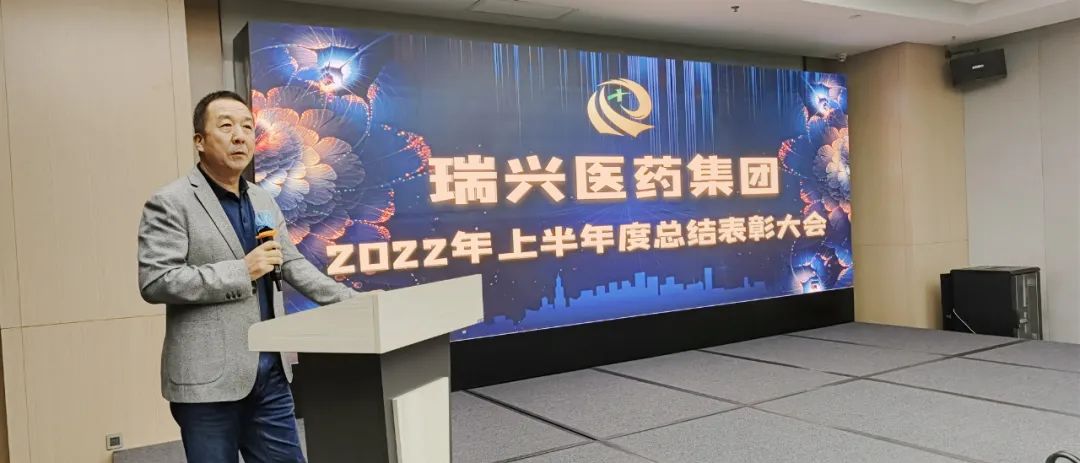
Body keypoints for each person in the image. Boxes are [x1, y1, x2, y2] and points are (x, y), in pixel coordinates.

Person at [138, 90, 356, 462]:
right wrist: (242, 271)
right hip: (208, 384)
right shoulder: (171, 202)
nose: (240, 136)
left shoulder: (262, 199)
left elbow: (291, 263)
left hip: (270, 377)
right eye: (226, 126)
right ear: (199, 141)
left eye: (247, 127)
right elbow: (157, 280)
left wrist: (353, 301)